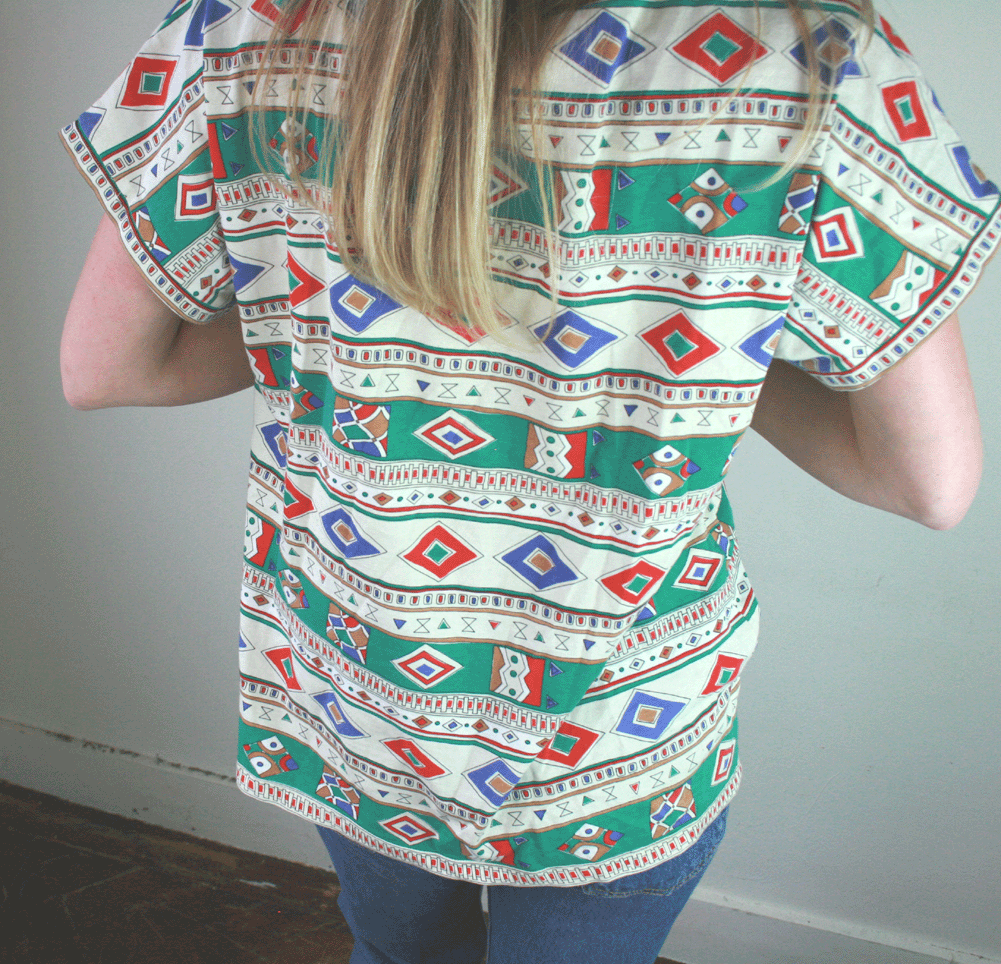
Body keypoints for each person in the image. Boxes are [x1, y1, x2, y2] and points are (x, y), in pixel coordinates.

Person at [60, 1, 995, 962]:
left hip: (361, 691)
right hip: (616, 740)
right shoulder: (814, 57)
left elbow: (106, 366)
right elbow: (927, 482)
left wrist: (324, 321)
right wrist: (692, 355)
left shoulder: (241, 26)